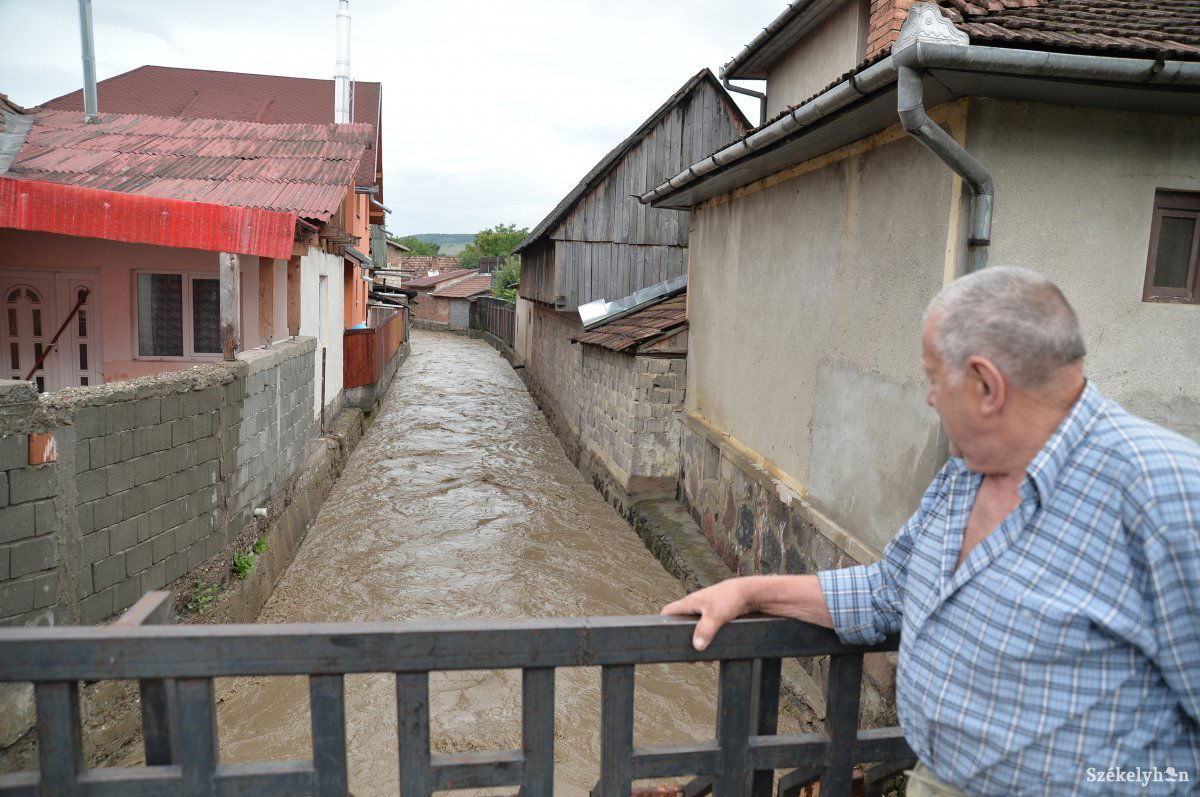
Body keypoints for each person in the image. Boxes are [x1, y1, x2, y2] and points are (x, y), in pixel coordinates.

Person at [662, 267, 1200, 796]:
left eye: (933, 377)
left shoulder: (1168, 493)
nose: (928, 397)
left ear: (986, 385)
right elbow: (885, 592)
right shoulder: (961, 477)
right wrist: (749, 591)